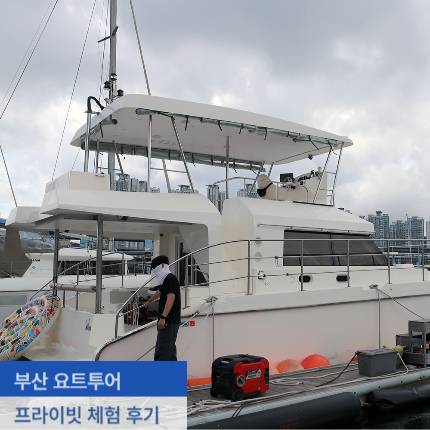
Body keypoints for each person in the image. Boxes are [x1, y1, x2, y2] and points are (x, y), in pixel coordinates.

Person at [144, 255, 181, 361]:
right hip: (170, 320)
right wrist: (149, 301)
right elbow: (159, 292)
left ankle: (160, 372)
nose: (155, 271)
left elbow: (171, 298)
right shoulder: (166, 280)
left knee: (162, 351)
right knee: (170, 350)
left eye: (155, 268)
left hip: (168, 320)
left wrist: (163, 317)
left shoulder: (170, 279)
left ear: (163, 265)